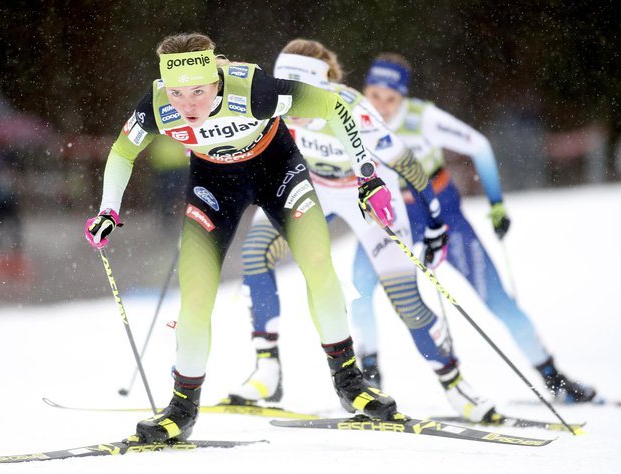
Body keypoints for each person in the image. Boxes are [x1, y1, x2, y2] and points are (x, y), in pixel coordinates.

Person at [84, 32, 403, 443]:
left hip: (277, 171)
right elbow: (122, 152)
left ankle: (350, 384)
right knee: (195, 294)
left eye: (199, 91)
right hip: (214, 185)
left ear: (216, 81)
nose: (188, 105)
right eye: (178, 94)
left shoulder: (253, 92)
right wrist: (108, 209)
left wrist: (367, 174)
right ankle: (182, 408)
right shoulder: (158, 105)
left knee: (317, 263)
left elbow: (332, 105)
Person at [227, 39, 498, 423]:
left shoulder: (353, 109)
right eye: (284, 90)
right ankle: (267, 370)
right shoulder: (271, 101)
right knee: (254, 253)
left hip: (366, 193)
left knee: (405, 298)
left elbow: (408, 164)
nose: (290, 104)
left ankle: (455, 384)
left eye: (300, 94)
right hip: (312, 187)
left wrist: (436, 222)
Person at [351, 52, 596, 403]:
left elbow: (479, 145)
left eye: (392, 99)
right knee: (360, 289)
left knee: (496, 298)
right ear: (365, 90)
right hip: (390, 217)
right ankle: (370, 378)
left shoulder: (423, 117)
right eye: (375, 96)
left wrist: (496, 203)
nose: (383, 106)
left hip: (441, 213)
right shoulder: (354, 115)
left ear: (403, 97)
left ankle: (553, 378)